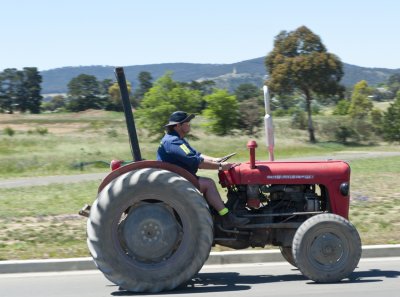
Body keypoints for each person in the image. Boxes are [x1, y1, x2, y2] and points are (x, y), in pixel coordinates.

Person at [157, 111, 249, 228]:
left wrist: (216, 160)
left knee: (208, 182)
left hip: (180, 177)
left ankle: (215, 210)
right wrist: (221, 167)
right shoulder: (173, 142)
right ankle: (226, 217)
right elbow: (197, 162)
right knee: (208, 184)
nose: (189, 125)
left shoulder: (176, 139)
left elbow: (197, 155)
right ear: (177, 126)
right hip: (176, 181)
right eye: (186, 122)